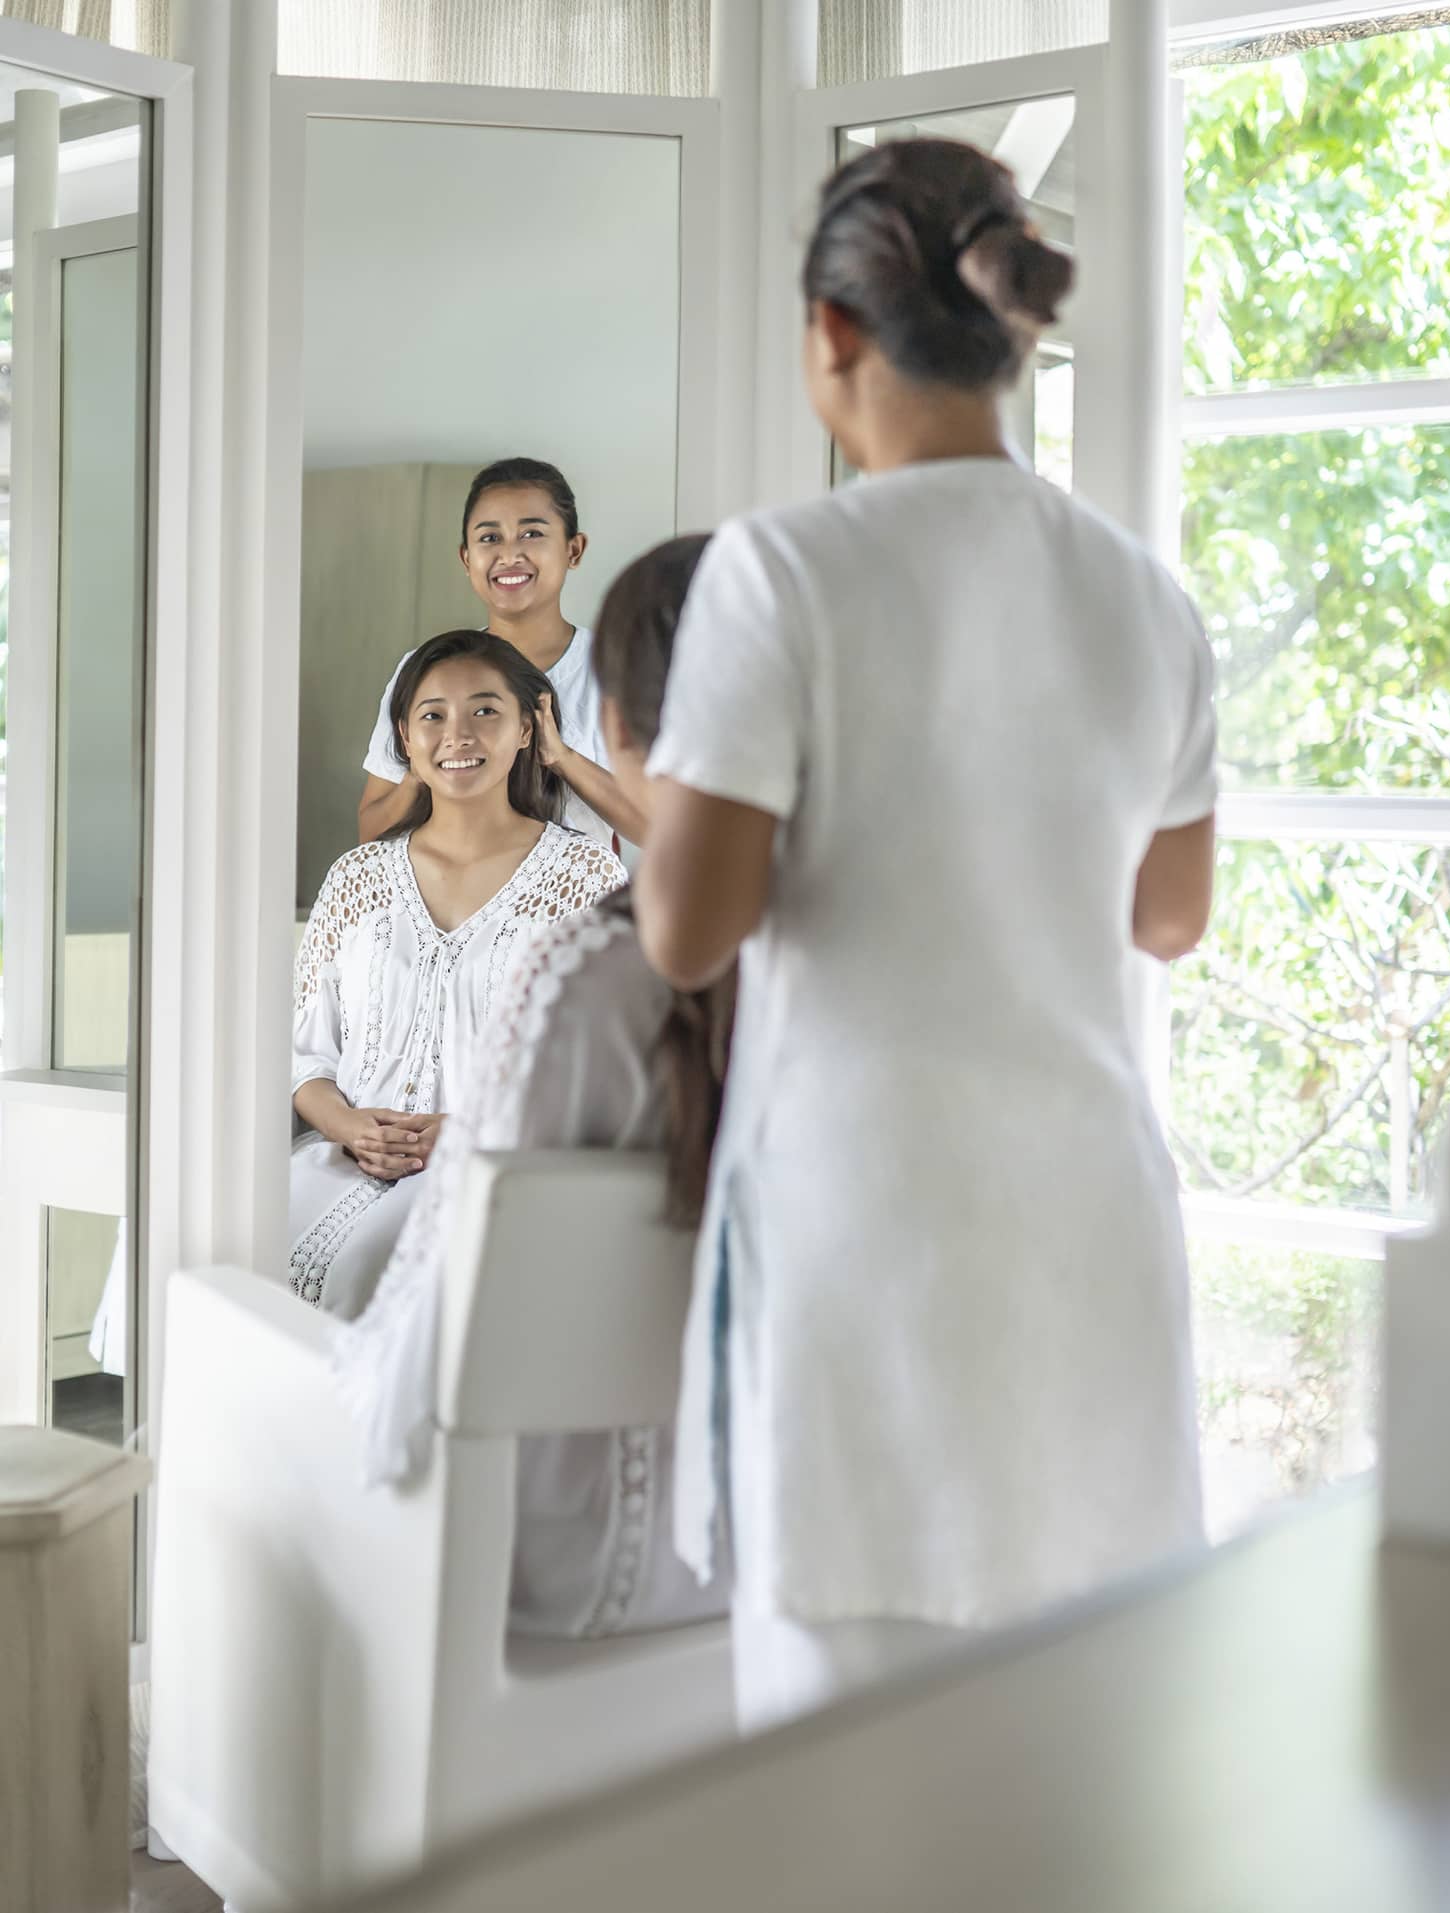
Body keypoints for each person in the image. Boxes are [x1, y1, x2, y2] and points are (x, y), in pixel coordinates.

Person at [636, 138, 1218, 1729]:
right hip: (1087, 1241)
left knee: (850, 1797)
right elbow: (1169, 915)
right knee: (1080, 1772)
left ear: (829, 333)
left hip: (869, 1249)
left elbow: (689, 928)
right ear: (1011, 328)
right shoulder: (1143, 597)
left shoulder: (781, 573)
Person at [330, 535, 732, 1639]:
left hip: (555, 1555)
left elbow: (405, 1363)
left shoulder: (596, 969)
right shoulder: (870, 954)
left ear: (617, 730)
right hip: (781, 1529)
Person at [292, 629, 627, 1319]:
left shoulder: (587, 879)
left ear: (529, 730)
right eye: (433, 715)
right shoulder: (356, 878)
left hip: (498, 1170)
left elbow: (605, 1074)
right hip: (339, 1160)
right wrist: (351, 1127)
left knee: (370, 1271)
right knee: (212, 1246)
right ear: (404, 739)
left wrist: (474, 1125)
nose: (458, 734)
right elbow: (304, 1058)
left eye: (485, 710)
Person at [356, 457, 647, 850]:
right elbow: (370, 836)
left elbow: (659, 829)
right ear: (466, 558)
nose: (509, 555)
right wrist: (421, 767)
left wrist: (560, 757)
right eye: (490, 538)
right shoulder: (424, 671)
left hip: (576, 908)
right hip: (450, 909)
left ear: (573, 549)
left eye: (531, 534)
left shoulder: (619, 672)